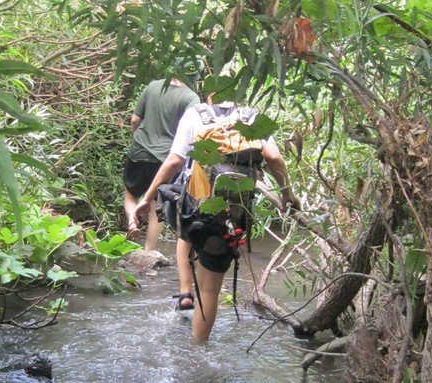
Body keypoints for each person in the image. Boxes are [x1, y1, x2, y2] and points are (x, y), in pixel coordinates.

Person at [133, 87, 300, 342]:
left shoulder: (195, 114)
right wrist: (288, 194)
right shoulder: (253, 118)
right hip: (230, 215)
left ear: (209, 94)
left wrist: (146, 198)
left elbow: (174, 161)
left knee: (184, 228)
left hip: (194, 210)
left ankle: (186, 291)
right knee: (210, 289)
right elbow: (274, 157)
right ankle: (198, 348)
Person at [123, 62, 201, 253]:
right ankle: (148, 251)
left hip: (139, 150)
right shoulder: (192, 98)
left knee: (131, 193)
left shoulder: (153, 86)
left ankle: (132, 220)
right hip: (167, 157)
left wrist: (139, 139)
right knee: (156, 203)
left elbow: (134, 120)